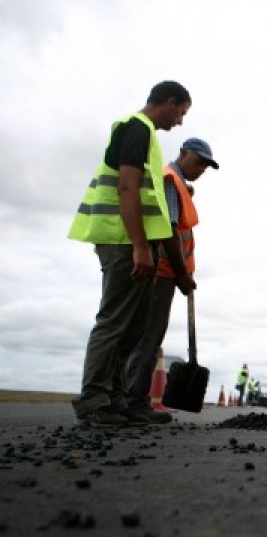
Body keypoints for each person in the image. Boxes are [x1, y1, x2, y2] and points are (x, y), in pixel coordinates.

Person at [69, 80, 194, 428]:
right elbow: (126, 186)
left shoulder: (148, 136)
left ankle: (118, 401)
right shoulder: (135, 129)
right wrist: (140, 246)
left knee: (134, 327)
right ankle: (95, 401)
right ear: (170, 102)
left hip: (138, 244)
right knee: (114, 322)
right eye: (181, 112)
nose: (181, 121)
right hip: (124, 241)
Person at [122, 137, 219, 424]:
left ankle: (128, 400)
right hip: (161, 272)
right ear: (183, 153)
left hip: (164, 272)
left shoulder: (178, 186)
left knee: (146, 335)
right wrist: (181, 274)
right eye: (199, 161)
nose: (202, 169)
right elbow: (170, 232)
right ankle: (134, 403)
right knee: (148, 337)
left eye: (207, 165)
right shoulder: (169, 180)